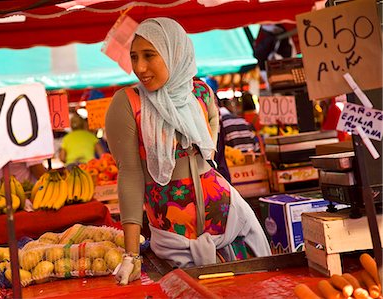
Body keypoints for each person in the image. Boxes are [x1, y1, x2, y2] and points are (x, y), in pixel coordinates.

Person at [105, 17, 271, 285]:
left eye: (149, 55)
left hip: (231, 226)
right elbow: (131, 175)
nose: (140, 67)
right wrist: (131, 255)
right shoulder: (127, 104)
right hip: (174, 241)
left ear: (175, 52)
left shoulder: (201, 92)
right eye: (134, 57)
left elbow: (212, 137)